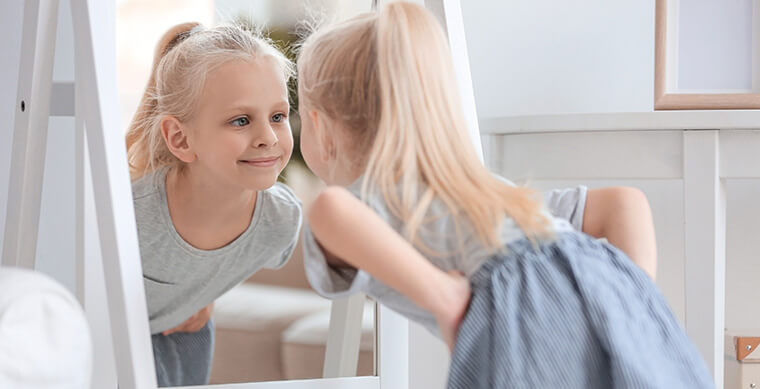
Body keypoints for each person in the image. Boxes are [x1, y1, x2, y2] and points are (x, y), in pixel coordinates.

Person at [296, 3, 713, 388]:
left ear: (321, 128)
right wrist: (632, 302)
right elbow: (625, 203)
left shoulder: (384, 200)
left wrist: (445, 298)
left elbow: (330, 208)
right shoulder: (488, 195)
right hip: (598, 286)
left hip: (520, 315)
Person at [125, 22, 302, 386]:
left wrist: (203, 293)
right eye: (241, 120)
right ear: (180, 138)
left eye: (278, 117)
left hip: (183, 332)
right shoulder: (131, 216)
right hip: (105, 335)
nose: (268, 138)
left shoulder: (280, 220)